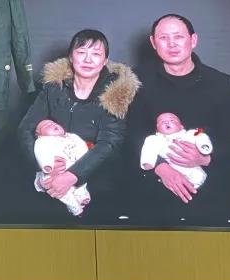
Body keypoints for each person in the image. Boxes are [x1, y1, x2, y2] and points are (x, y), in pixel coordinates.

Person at [126, 14, 230, 225]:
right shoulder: (134, 80)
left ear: (193, 40)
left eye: (178, 37)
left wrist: (204, 159)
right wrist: (161, 167)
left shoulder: (220, 83)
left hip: (209, 188)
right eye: (164, 38)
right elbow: (127, 136)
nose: (172, 44)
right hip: (152, 185)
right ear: (153, 43)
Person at [18, 29, 139, 217]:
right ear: (71, 57)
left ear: (105, 61)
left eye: (96, 54)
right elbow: (26, 128)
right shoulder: (54, 87)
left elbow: (109, 143)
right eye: (81, 52)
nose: (88, 60)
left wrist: (72, 175)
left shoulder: (116, 93)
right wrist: (46, 167)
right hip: (51, 166)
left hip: (94, 173)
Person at [139, 112, 213, 191]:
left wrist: (204, 146)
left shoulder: (189, 134)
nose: (167, 122)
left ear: (181, 126)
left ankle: (191, 188)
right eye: (162, 122)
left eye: (172, 120)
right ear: (157, 130)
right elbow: (148, 149)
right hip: (172, 166)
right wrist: (147, 162)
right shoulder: (154, 139)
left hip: (192, 167)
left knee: (198, 176)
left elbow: (201, 134)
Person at [32, 120, 92, 216]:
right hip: (53, 171)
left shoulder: (72, 137)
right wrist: (47, 165)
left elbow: (81, 145)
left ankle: (82, 195)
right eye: (47, 126)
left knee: (81, 182)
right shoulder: (43, 141)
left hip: (73, 166)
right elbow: (41, 152)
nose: (53, 124)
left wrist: (84, 157)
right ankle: (74, 207)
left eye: (55, 123)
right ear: (39, 135)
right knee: (61, 191)